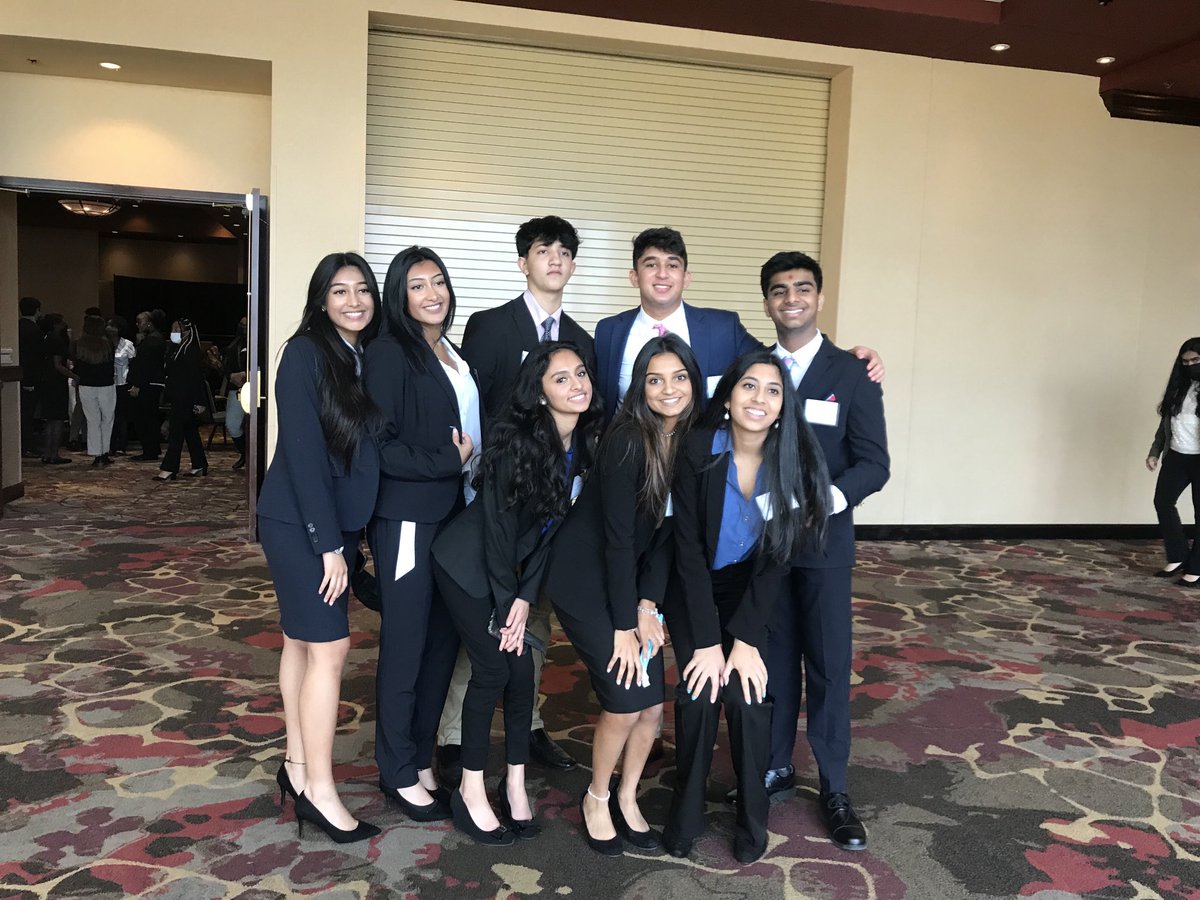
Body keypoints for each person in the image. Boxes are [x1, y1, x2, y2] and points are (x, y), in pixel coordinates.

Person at [441, 215, 595, 778]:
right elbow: (475, 411)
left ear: (573, 265)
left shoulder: (583, 341)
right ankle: (455, 736)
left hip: (551, 515)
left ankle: (527, 731)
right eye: (542, 250)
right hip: (494, 508)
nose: (554, 258)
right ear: (522, 261)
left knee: (536, 624)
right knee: (485, 628)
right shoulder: (490, 326)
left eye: (564, 251)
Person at [431, 341, 602, 845]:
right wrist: (510, 607)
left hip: (512, 575)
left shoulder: (582, 446)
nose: (577, 385)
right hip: (466, 567)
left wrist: (526, 599)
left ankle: (515, 782)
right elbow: (499, 534)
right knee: (492, 668)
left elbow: (549, 537)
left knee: (523, 668)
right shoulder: (518, 447)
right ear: (540, 393)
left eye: (581, 374)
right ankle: (470, 791)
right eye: (561, 379)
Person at [662, 350, 830, 865]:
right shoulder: (697, 450)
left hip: (753, 590)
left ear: (784, 405)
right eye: (749, 387)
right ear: (730, 397)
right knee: (697, 692)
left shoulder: (793, 462)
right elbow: (686, 549)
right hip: (694, 588)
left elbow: (777, 560)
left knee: (748, 697)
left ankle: (751, 816)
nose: (760, 399)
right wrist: (710, 641)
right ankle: (686, 813)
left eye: (773, 391)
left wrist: (747, 641)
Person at [543, 333, 703, 856]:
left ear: (694, 383)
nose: (668, 389)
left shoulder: (689, 442)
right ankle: (595, 796)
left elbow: (664, 540)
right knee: (624, 701)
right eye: (655, 379)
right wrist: (621, 626)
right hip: (585, 578)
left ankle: (627, 796)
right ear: (641, 387)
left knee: (653, 707)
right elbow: (615, 540)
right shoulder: (628, 439)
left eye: (679, 377)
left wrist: (647, 606)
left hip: (631, 584)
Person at [756, 251, 890, 852]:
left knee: (830, 668)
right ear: (767, 302)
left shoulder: (851, 372)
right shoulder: (754, 366)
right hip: (763, 546)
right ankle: (775, 766)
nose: (791, 299)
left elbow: (875, 463)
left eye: (802, 289)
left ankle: (835, 786)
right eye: (779, 291)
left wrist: (829, 500)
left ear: (819, 298)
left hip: (825, 545)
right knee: (774, 661)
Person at [256, 251, 382, 844]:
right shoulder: (304, 353)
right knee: (330, 650)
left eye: (362, 290)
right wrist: (330, 546)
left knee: (301, 644)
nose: (354, 301)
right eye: (340, 292)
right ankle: (320, 792)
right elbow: (304, 455)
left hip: (328, 525)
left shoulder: (361, 354)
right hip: (301, 524)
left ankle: (297, 766)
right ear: (321, 300)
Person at [362, 246, 477, 823]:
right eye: (417, 286)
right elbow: (378, 445)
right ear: (398, 297)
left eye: (439, 282)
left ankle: (422, 757)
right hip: (408, 517)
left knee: (440, 643)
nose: (433, 293)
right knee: (406, 645)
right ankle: (396, 770)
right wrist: (445, 462)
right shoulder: (387, 353)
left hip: (454, 517)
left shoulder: (450, 351)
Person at [594, 227, 886, 422]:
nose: (662, 274)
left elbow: (779, 362)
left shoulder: (721, 327)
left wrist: (841, 358)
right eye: (650, 264)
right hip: (627, 460)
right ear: (634, 277)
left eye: (672, 265)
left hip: (699, 467)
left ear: (686, 277)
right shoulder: (609, 331)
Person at [1146, 337, 1200, 585]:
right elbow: (1165, 425)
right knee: (1163, 502)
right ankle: (1178, 555)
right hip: (1176, 456)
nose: (1190, 365)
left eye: (1196, 360)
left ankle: (1197, 566)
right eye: (1185, 361)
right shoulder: (1178, 388)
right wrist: (1155, 451)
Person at [155, 319, 209, 481]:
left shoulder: (190, 351)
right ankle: (199, 464)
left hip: (186, 397)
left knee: (176, 433)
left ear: (186, 331)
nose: (174, 332)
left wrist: (199, 401)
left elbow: (196, 378)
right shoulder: (175, 349)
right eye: (172, 329)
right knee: (190, 432)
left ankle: (169, 468)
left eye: (177, 329)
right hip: (178, 396)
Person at [72, 315, 117, 468]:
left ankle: (96, 454)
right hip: (106, 384)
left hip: (86, 385)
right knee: (107, 418)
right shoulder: (108, 344)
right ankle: (104, 452)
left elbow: (75, 364)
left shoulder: (78, 344)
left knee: (92, 420)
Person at [128, 310, 167, 461]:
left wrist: (137, 384)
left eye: (140, 321)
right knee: (149, 417)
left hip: (148, 383)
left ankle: (149, 450)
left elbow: (144, 365)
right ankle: (152, 448)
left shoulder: (151, 341)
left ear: (149, 323)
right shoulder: (155, 339)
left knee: (145, 417)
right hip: (152, 382)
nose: (137, 325)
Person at [38, 313, 75, 465]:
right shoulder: (57, 341)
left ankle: (47, 452)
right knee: (58, 419)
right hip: (57, 383)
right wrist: (75, 375)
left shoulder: (45, 338)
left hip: (46, 381)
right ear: (56, 324)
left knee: (49, 420)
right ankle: (54, 454)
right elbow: (58, 364)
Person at [19, 296, 45, 458]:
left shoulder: (17, 326)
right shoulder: (34, 330)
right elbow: (32, 358)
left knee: (24, 413)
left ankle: (25, 444)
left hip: (21, 376)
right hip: (30, 378)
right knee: (28, 414)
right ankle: (27, 445)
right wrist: (29, 381)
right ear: (37, 310)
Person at [107, 316, 137, 456]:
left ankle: (121, 445)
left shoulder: (127, 344)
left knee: (122, 416)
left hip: (123, 383)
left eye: (112, 326)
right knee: (108, 415)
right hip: (107, 383)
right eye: (108, 325)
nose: (109, 328)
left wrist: (133, 383)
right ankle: (109, 444)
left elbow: (133, 365)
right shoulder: (104, 343)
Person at [223, 317, 249, 469]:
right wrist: (231, 376)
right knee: (232, 424)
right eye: (242, 325)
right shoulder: (235, 344)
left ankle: (256, 455)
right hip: (237, 389)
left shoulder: (263, 340)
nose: (244, 328)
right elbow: (226, 367)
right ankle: (244, 453)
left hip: (257, 388)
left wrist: (247, 373)